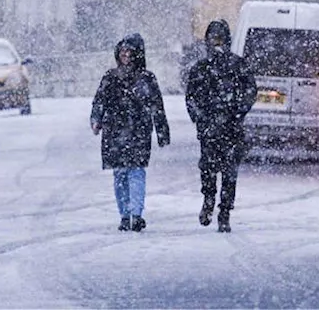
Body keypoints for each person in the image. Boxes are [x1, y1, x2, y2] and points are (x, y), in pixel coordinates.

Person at [91, 33, 170, 232]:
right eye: (123, 51)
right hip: (115, 132)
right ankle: (124, 215)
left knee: (136, 172)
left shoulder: (147, 78)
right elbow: (100, 100)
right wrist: (96, 120)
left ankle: (136, 214)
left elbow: (157, 106)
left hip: (139, 131)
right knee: (120, 174)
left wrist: (162, 131)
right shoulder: (110, 77)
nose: (126, 55)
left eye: (129, 51)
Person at [185, 20, 256, 233]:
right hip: (209, 129)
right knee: (207, 168)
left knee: (229, 172)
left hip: (232, 128)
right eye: (212, 39)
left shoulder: (238, 65)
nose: (216, 43)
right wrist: (200, 118)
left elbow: (250, 91)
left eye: (220, 39)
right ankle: (208, 199)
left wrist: (237, 112)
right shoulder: (200, 68)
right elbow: (191, 97)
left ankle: (224, 211)